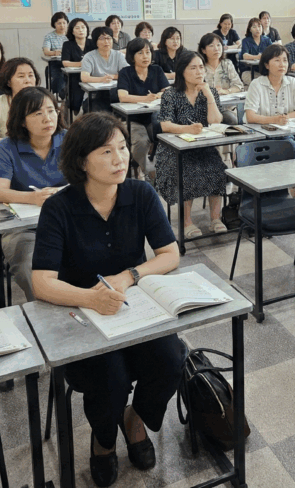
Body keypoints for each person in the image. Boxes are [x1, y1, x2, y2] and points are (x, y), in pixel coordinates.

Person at [33, 114, 185, 484]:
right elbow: (42, 282)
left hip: (131, 309)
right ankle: (103, 441)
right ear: (82, 161)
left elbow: (170, 254)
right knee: (110, 377)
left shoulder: (140, 193)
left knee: (172, 359)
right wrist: (90, 298)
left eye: (121, 149)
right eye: (107, 151)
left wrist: (130, 276)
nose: (120, 159)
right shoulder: (59, 207)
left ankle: (134, 419)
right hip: (81, 316)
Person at [0, 87, 66, 301]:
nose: (47, 118)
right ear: (22, 121)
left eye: (51, 111)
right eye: (37, 113)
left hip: (67, 222)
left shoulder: (68, 139)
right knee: (30, 269)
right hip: (23, 228)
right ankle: (48, 321)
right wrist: (32, 198)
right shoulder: (8, 146)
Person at [154, 52, 228, 239]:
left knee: (218, 168)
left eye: (201, 67)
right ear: (182, 71)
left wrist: (209, 94)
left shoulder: (209, 92)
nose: (198, 72)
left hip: (202, 147)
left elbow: (215, 121)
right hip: (174, 150)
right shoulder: (171, 94)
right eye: (193, 68)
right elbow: (164, 124)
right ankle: (187, 222)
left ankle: (215, 219)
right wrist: (187, 129)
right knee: (187, 170)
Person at [245, 44, 295, 159]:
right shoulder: (256, 84)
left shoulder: (292, 82)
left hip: (284, 136)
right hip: (259, 137)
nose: (282, 64)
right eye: (277, 60)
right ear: (266, 65)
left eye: (285, 60)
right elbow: (250, 116)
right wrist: (274, 120)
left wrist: (285, 118)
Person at [117, 38, 169, 175]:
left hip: (155, 117)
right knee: (141, 142)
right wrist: (145, 99)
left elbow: (167, 91)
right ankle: (147, 172)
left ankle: (161, 171)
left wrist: (157, 95)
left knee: (167, 139)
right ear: (132, 56)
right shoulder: (125, 72)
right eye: (140, 53)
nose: (145, 56)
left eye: (148, 52)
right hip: (133, 119)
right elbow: (123, 96)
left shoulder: (156, 70)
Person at [0, 57, 41, 148]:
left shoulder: (44, 101)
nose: (27, 80)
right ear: (8, 82)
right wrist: (18, 144)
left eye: (31, 75)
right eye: (21, 76)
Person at [199, 32, 243, 125]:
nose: (216, 49)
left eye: (219, 45)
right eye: (211, 46)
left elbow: (239, 86)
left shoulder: (227, 64)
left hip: (226, 108)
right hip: (205, 108)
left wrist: (226, 91)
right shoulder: (200, 67)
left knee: (231, 119)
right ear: (203, 50)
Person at [81, 28, 128, 112]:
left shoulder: (119, 55)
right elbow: (84, 77)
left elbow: (127, 74)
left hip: (115, 94)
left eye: (108, 38)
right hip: (94, 96)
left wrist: (112, 76)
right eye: (102, 38)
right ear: (96, 41)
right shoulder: (89, 56)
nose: (106, 42)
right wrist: (101, 79)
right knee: (99, 114)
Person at [62, 18, 95, 113]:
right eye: (77, 28)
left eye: (83, 27)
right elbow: (65, 63)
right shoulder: (68, 44)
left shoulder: (92, 43)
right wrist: (85, 63)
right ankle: (74, 108)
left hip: (91, 75)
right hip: (75, 76)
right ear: (72, 31)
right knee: (75, 100)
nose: (81, 30)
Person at [43, 11, 69, 97]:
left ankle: (67, 98)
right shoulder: (49, 36)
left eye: (64, 23)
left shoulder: (70, 36)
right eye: (59, 23)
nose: (62, 26)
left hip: (71, 64)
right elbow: (46, 51)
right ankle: (63, 97)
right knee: (59, 79)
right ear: (54, 24)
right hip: (56, 63)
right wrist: (54, 52)